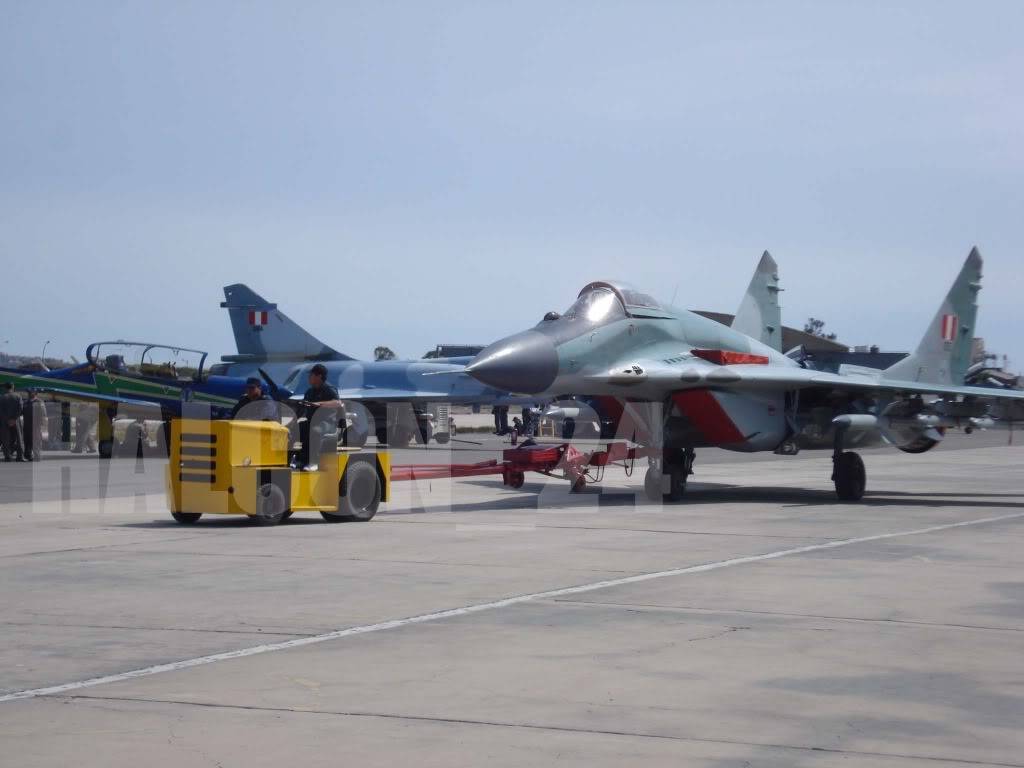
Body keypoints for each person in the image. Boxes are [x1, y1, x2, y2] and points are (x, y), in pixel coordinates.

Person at [296, 363, 344, 470]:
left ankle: (314, 462)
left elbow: (337, 403)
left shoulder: (329, 389)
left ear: (319, 376)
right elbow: (302, 408)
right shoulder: (309, 392)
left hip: (327, 423)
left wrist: (319, 404)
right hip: (311, 421)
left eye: (311, 375)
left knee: (315, 430)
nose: (309, 378)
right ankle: (300, 459)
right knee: (296, 429)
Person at [1, 383, 27, 462]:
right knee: (19, 438)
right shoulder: (18, 396)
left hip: (4, 421)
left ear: (5, 388)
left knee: (5, 439)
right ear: (13, 387)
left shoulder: (2, 397)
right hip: (16, 421)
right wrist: (14, 419)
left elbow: (1, 410)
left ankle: (7, 456)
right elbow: (20, 408)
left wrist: (7, 419)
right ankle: (20, 456)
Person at [23, 390, 45, 461]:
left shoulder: (39, 402)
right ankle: (28, 455)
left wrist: (42, 424)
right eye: (28, 392)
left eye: (31, 392)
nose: (29, 393)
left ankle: (37, 455)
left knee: (36, 441)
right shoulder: (26, 402)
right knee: (27, 440)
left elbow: (43, 413)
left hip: (36, 425)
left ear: (36, 393)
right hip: (27, 425)